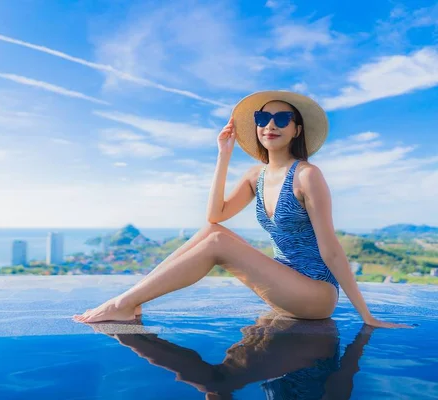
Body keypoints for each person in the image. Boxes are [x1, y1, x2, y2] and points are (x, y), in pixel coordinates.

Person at [73, 90, 411, 329]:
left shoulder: (308, 176)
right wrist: (223, 154)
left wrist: (366, 315)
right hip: (283, 291)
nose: (270, 124)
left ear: (297, 129)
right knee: (213, 233)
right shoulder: (256, 176)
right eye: (263, 117)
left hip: (315, 294)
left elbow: (332, 252)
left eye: (282, 118)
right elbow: (214, 216)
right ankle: (131, 300)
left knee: (219, 243)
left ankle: (122, 305)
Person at [85, 311, 378, 399]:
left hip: (292, 353)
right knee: (216, 383)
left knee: (216, 383)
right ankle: (127, 328)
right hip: (305, 351)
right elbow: (346, 371)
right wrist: (365, 330)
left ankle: (127, 329)